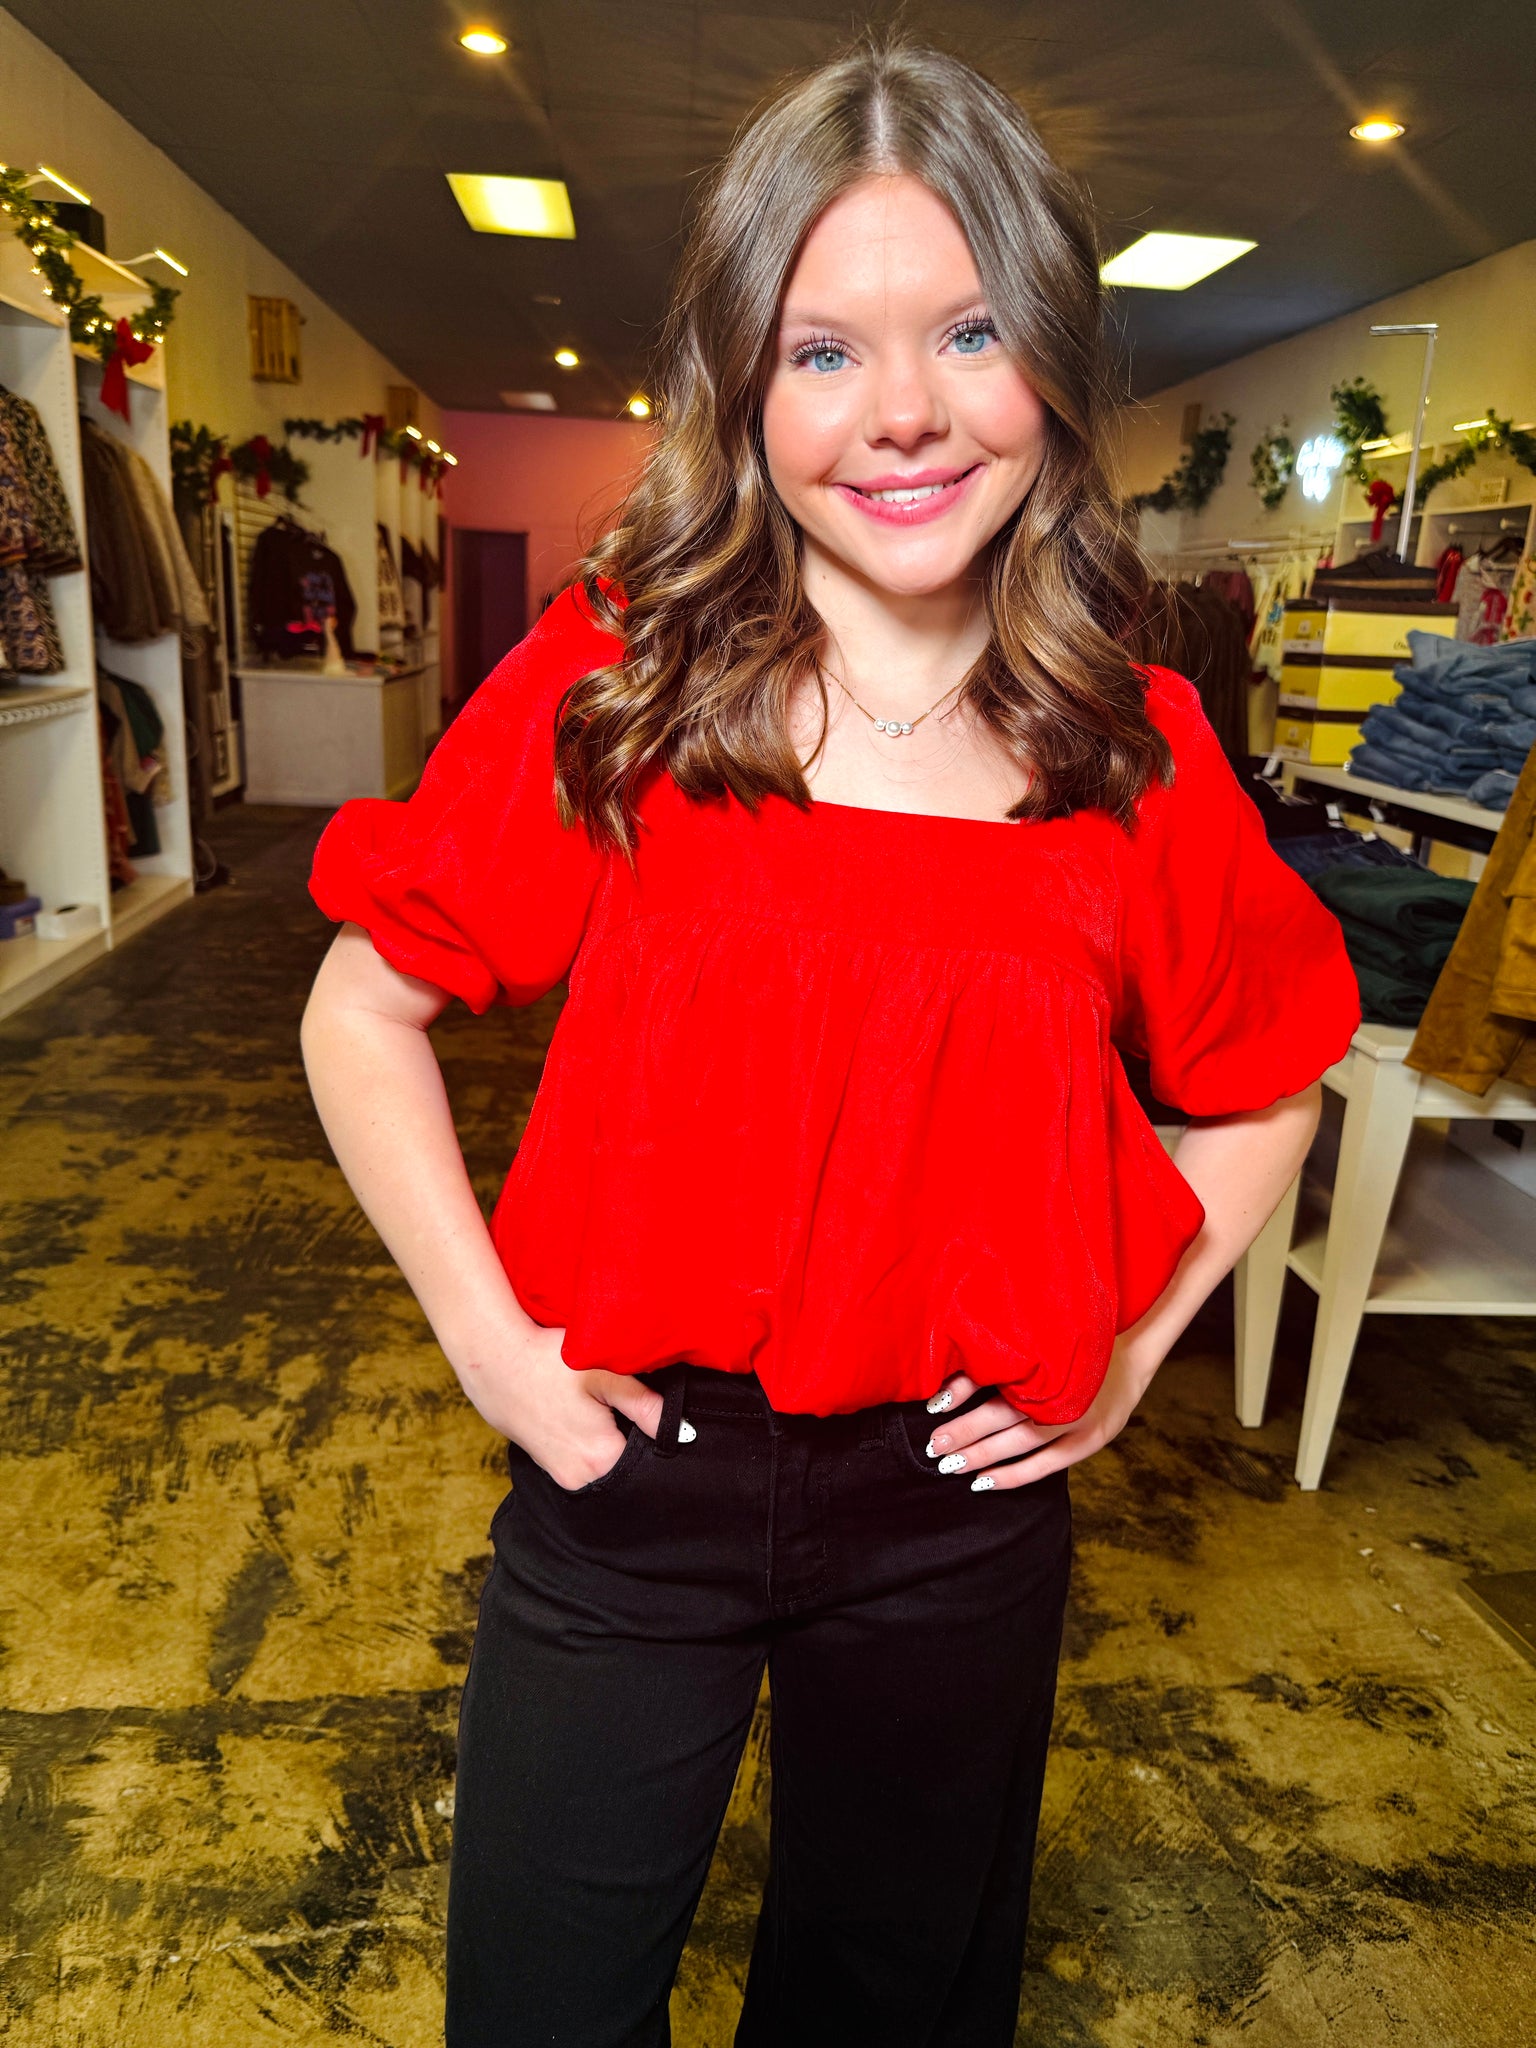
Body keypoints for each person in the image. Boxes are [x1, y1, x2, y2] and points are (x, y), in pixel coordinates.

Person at [300, 37, 1360, 2048]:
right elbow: (363, 1007)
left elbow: (1267, 1082)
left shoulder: (1131, 748)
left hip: (952, 1503)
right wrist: (491, 1346)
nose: (904, 414)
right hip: (630, 1479)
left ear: (1052, 358)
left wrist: (1130, 1345)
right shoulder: (622, 680)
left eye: (968, 332)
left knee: (890, 2008)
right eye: (823, 351)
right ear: (742, 389)